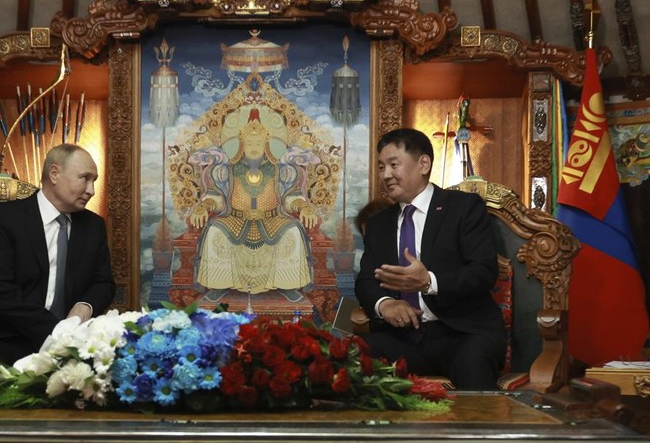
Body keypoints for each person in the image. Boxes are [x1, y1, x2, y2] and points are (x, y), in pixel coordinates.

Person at [0, 145, 115, 379]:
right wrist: (56, 331)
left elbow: (103, 283)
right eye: (85, 178)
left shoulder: (93, 226)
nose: (91, 190)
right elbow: (0, 291)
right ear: (54, 174)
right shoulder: (5, 219)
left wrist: (85, 306)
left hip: (73, 342)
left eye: (94, 181)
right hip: (6, 336)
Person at [354, 128, 505, 390]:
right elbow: (366, 281)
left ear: (423, 164)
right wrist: (385, 303)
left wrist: (429, 282)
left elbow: (483, 272)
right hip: (404, 338)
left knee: (474, 365)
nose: (385, 175)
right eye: (381, 167)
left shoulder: (463, 208)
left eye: (393, 165)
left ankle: (480, 430)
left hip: (464, 334)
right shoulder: (379, 225)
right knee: (353, 356)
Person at [189, 107, 318, 303]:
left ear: (266, 144)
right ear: (241, 144)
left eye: (258, 142)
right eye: (250, 143)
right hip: (235, 219)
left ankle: (288, 285)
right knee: (215, 230)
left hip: (272, 219)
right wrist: (203, 206)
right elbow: (217, 196)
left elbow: (289, 196)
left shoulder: (280, 170)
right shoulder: (227, 170)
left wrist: (303, 206)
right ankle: (218, 285)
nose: (254, 146)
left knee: (292, 230)